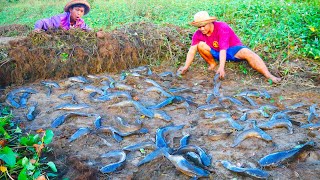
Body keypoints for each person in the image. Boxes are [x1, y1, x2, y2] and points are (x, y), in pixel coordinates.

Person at [178, 11, 281, 83]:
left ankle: (268, 75)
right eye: (199, 27)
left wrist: (222, 68)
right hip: (216, 52)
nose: (201, 29)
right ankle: (213, 64)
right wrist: (186, 67)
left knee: (248, 53)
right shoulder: (198, 33)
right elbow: (192, 51)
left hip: (232, 50)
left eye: (203, 25)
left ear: (210, 22)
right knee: (199, 45)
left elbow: (224, 49)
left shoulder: (222, 27)